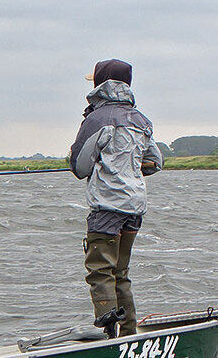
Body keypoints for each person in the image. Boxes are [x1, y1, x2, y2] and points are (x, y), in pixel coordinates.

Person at [68, 58, 161, 337]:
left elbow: (79, 167)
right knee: (120, 273)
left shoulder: (96, 118)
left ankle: (108, 334)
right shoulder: (141, 119)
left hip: (107, 206)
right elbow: (155, 161)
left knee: (100, 270)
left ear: (101, 84)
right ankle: (128, 333)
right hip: (135, 207)